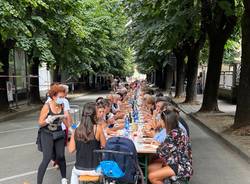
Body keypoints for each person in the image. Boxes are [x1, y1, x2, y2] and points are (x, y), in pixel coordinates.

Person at [148, 111, 193, 184]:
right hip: (178, 162)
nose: (160, 121)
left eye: (161, 120)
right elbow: (168, 147)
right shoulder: (177, 131)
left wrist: (157, 146)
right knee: (151, 168)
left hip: (181, 166)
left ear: (166, 121)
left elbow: (162, 152)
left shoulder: (174, 134)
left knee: (152, 176)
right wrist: (160, 145)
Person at [37, 85, 70, 184]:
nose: (62, 99)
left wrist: (71, 129)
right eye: (60, 97)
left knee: (61, 156)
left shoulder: (61, 105)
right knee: (47, 158)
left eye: (63, 97)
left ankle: (64, 179)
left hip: (59, 132)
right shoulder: (47, 106)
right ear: (54, 96)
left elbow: (64, 119)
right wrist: (47, 120)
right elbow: (40, 122)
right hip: (46, 133)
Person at [68, 102, 106, 184]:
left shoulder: (76, 130)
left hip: (79, 168)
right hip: (95, 169)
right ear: (94, 114)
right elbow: (104, 145)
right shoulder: (98, 128)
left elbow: (71, 150)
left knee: (74, 173)